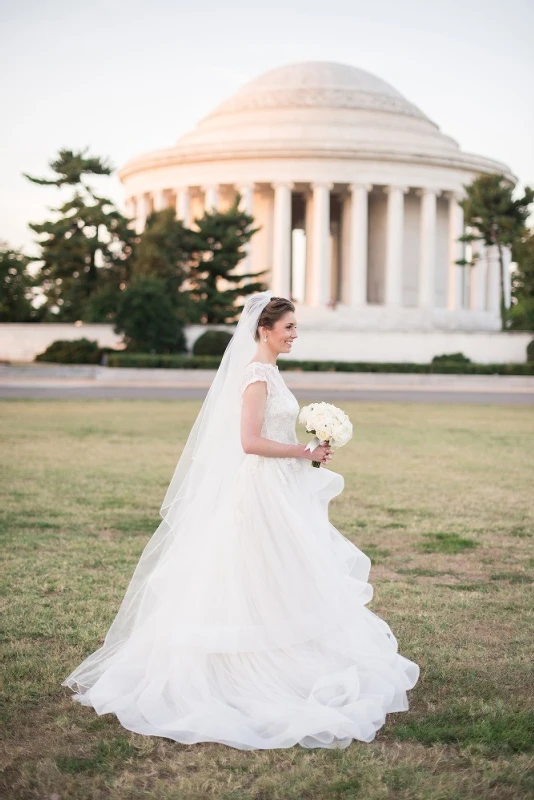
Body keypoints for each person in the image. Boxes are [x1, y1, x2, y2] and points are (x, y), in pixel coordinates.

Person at [61, 290, 420, 750]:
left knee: (283, 577)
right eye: (288, 327)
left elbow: (273, 433)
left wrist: (307, 454)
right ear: (264, 330)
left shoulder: (272, 371)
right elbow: (250, 441)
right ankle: (243, 669)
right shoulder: (255, 375)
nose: (295, 335)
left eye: (295, 327)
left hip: (280, 486)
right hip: (258, 491)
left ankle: (291, 653)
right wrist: (301, 449)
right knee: (254, 575)